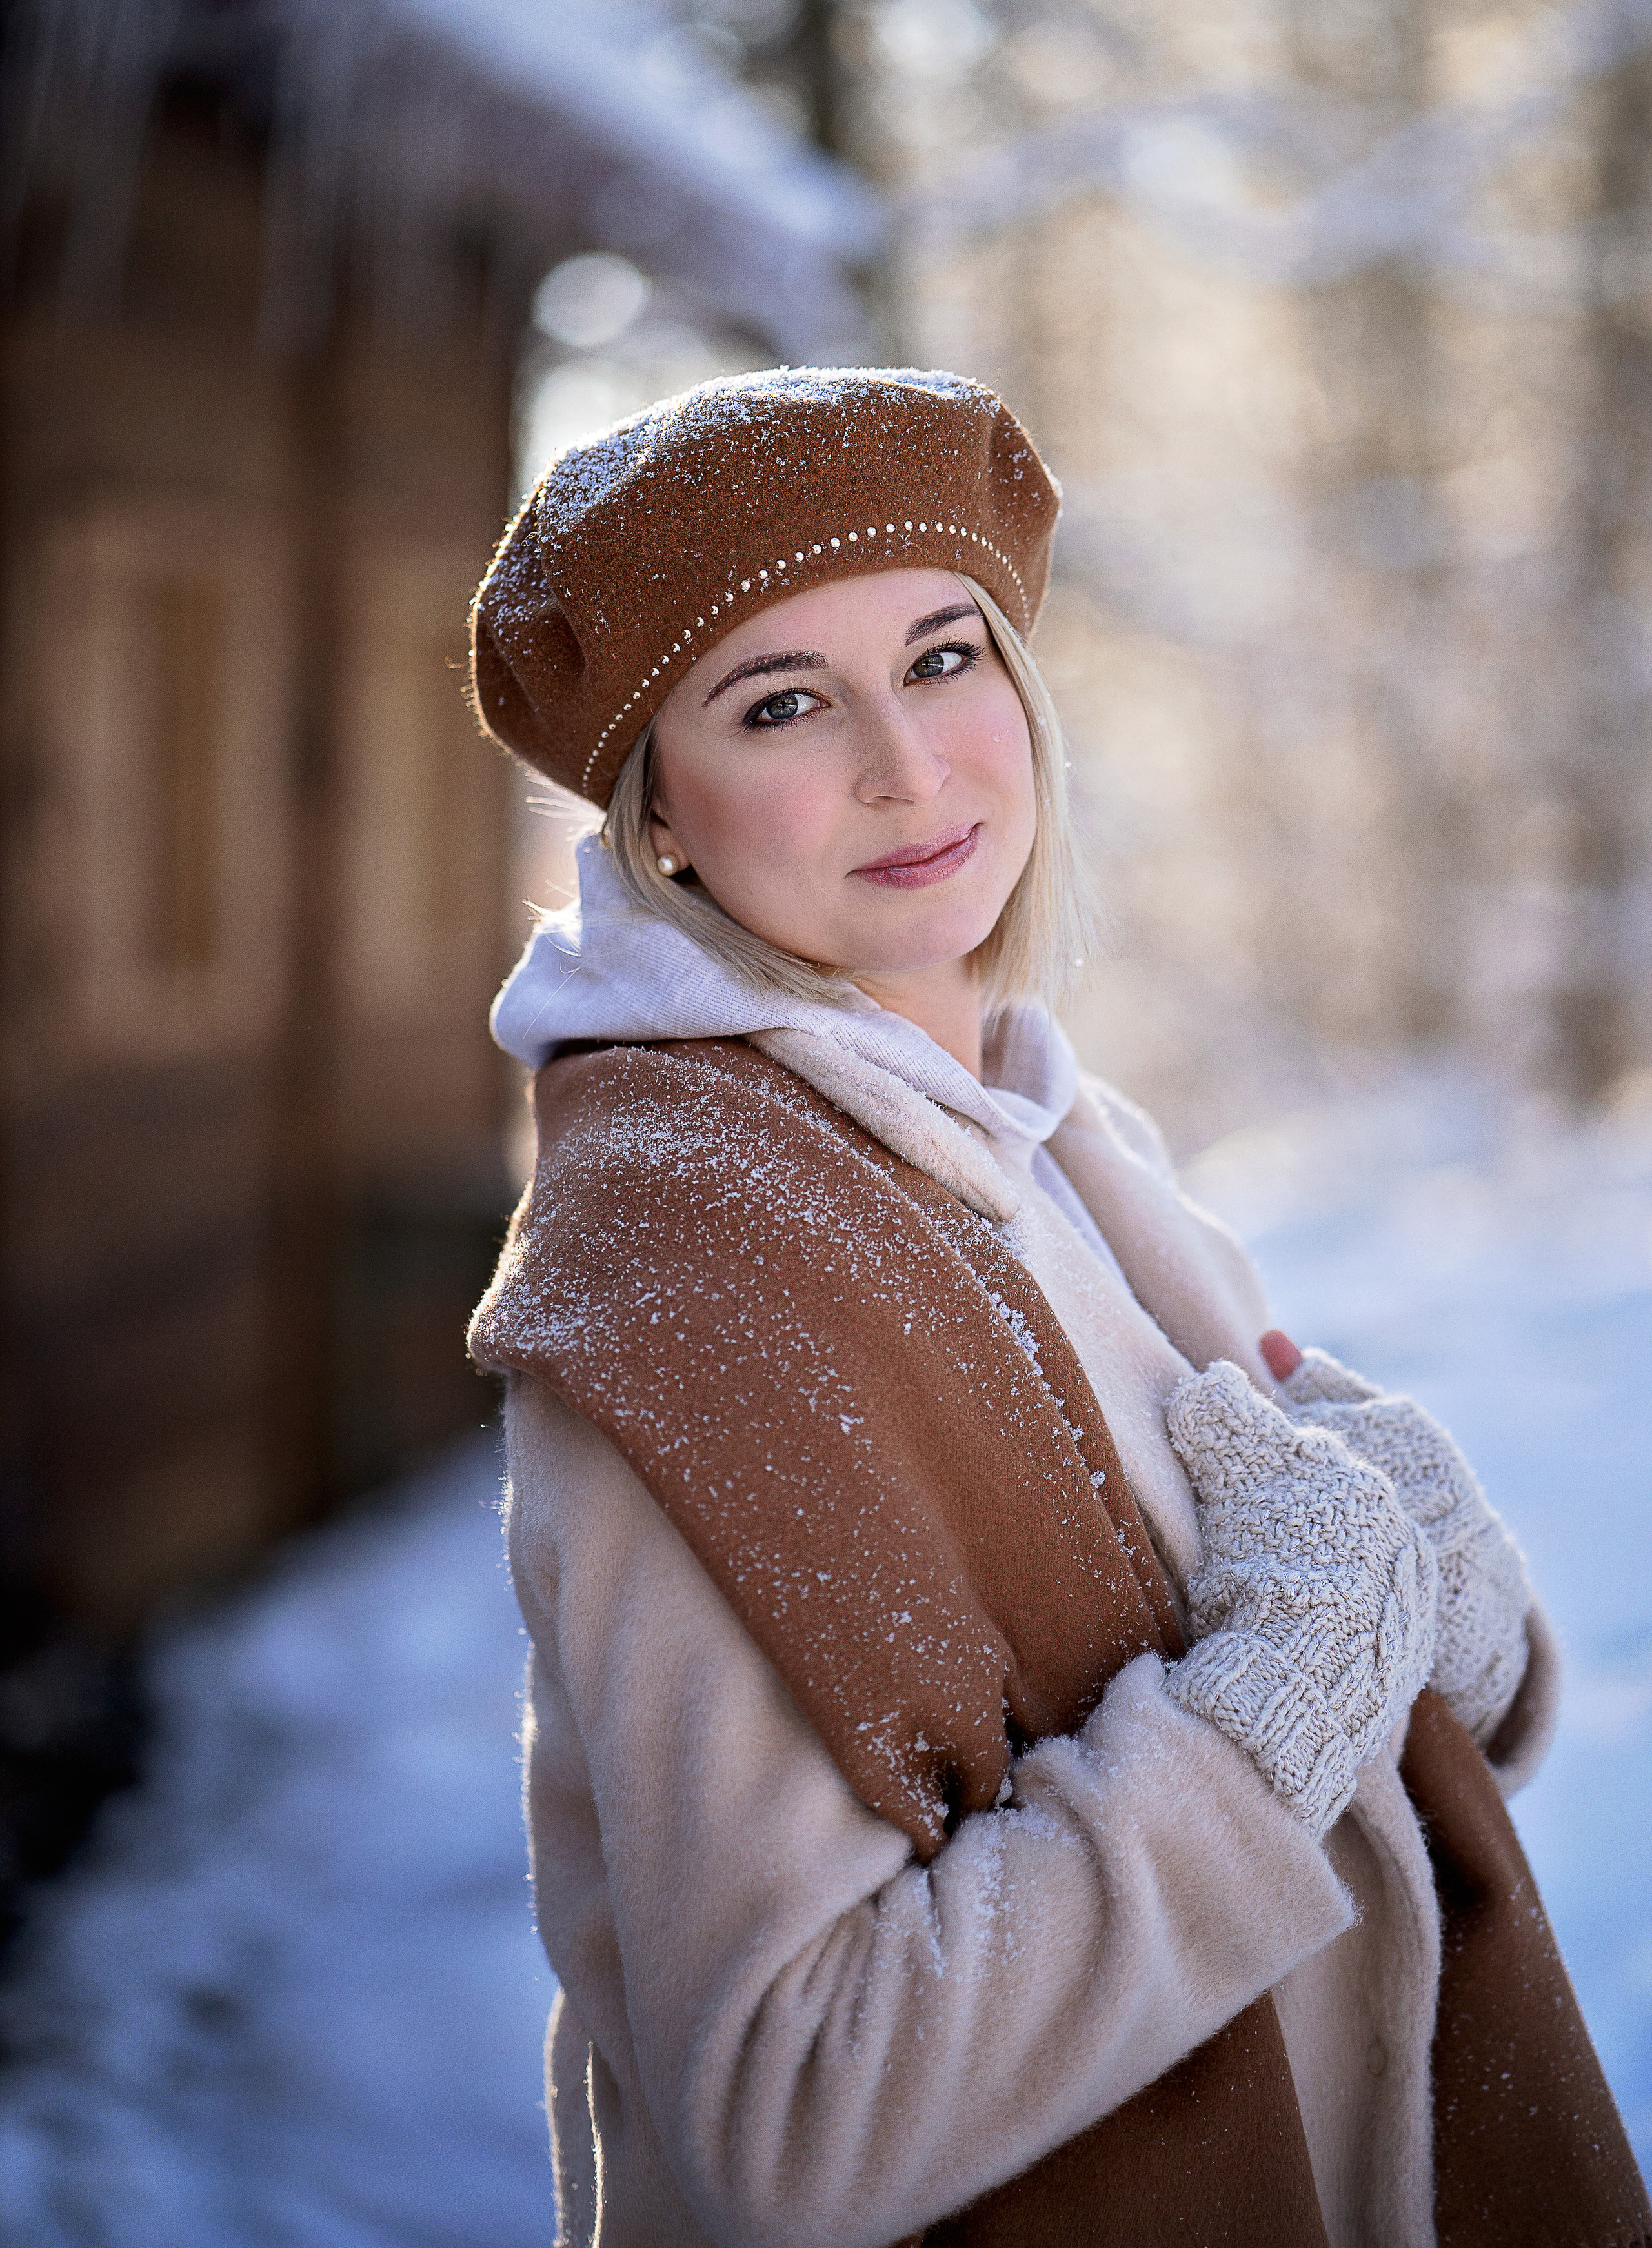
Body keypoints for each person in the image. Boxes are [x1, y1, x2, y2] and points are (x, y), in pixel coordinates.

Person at [466, 368, 1646, 2248]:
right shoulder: (691, 1272)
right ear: (658, 812)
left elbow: (1322, 1728)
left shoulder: (1052, 1133)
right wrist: (1259, 1718)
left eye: (943, 660)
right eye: (782, 703)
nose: (908, 766)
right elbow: (799, 2113)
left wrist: (1448, 1628)